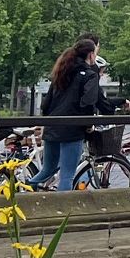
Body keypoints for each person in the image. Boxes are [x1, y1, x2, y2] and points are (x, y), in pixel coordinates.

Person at [38, 39, 108, 191]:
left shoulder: (61, 72)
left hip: (52, 126)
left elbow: (46, 103)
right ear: (90, 55)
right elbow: (88, 103)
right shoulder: (90, 75)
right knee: (67, 176)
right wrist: (88, 125)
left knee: (46, 171)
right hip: (72, 129)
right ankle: (63, 211)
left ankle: (18, 192)